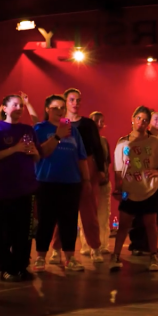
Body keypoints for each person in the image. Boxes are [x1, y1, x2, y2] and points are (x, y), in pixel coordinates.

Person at [110, 106, 158, 272]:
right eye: (138, 118)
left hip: (149, 189)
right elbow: (118, 168)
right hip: (129, 189)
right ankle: (115, 255)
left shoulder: (154, 142)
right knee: (124, 224)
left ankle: (153, 255)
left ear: (148, 124)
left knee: (150, 224)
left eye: (145, 120)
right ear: (132, 119)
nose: (141, 122)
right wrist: (118, 186)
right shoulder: (123, 142)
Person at [32, 95, 90, 272]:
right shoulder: (39, 129)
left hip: (71, 182)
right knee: (45, 221)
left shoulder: (73, 131)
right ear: (47, 109)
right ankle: (41, 257)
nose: (59, 111)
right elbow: (40, 153)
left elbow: (81, 157)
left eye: (62, 108)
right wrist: (58, 136)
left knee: (69, 221)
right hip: (46, 181)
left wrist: (86, 180)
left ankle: (70, 258)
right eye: (55, 108)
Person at [48, 88, 107, 264]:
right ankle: (56, 250)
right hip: (65, 167)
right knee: (63, 211)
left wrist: (101, 169)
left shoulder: (88, 124)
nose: (75, 103)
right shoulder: (59, 124)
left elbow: (97, 148)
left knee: (89, 212)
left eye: (78, 100)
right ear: (66, 102)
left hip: (87, 167)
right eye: (72, 100)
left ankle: (95, 248)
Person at [0, 94, 40, 281]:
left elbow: (37, 157)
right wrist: (15, 149)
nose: (19, 108)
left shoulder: (28, 129)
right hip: (4, 188)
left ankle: (21, 265)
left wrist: (34, 153)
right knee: (4, 231)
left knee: (24, 230)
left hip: (26, 187)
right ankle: (6, 268)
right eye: (15, 105)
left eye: (21, 105)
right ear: (5, 108)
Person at [128, 111, 158, 255]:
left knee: (155, 211)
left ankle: (150, 245)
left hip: (157, 181)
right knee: (140, 213)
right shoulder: (142, 136)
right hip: (141, 180)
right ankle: (137, 245)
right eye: (156, 119)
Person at [86, 111, 113, 253]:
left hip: (103, 183)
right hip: (88, 183)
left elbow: (107, 161)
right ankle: (87, 245)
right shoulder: (84, 140)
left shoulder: (103, 141)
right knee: (87, 216)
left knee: (103, 215)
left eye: (102, 121)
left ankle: (103, 244)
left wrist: (104, 175)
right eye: (96, 121)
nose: (100, 124)